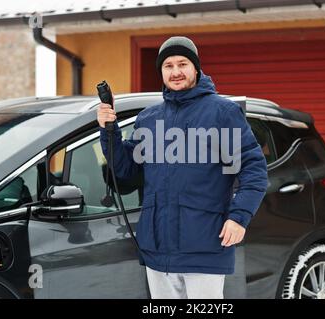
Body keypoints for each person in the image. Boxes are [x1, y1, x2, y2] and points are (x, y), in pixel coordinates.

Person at [97, 36, 268, 299]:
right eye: (168, 65)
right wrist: (109, 131)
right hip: (158, 248)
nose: (176, 72)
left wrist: (238, 217)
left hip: (205, 244)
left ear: (196, 68)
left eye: (183, 63)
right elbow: (126, 172)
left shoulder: (222, 113)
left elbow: (253, 170)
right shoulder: (149, 119)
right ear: (161, 72)